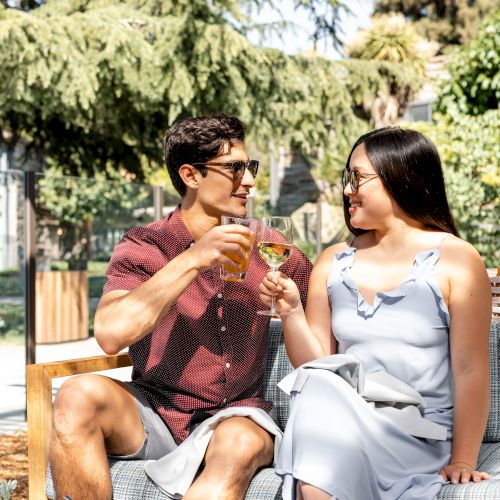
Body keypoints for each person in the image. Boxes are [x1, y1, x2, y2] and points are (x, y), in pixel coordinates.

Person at [49, 114, 312, 500]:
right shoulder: (146, 246)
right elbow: (109, 334)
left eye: (249, 167)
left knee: (238, 440)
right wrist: (193, 259)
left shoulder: (270, 247)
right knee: (75, 395)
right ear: (191, 175)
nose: (250, 181)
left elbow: (330, 307)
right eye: (235, 168)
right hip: (158, 411)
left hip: (240, 415)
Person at [259, 127, 492, 500]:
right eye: (346, 179)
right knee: (319, 386)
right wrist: (291, 312)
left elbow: (470, 370)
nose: (347, 190)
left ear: (401, 177)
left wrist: (463, 459)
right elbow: (315, 364)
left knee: (320, 454)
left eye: (357, 178)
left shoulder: (457, 260)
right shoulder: (332, 261)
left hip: (417, 434)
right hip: (341, 425)